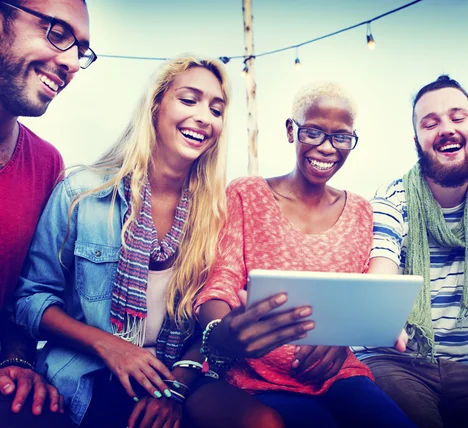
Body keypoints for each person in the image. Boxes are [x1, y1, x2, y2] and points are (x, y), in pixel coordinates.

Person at [12, 55, 281, 428]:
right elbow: (31, 300)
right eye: (189, 100)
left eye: (216, 109)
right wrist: (109, 345)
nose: (204, 116)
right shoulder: (82, 192)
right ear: (156, 106)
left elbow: (206, 329)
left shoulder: (217, 214)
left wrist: (176, 389)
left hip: (176, 373)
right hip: (89, 371)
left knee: (263, 421)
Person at [193, 82, 415, 428]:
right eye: (313, 132)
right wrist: (223, 331)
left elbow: (358, 300)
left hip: (338, 374)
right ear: (290, 130)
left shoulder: (359, 211)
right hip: (258, 379)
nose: (326, 148)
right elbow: (221, 283)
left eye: (341, 137)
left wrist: (341, 337)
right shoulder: (247, 194)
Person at [355, 75, 468, 428]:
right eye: (430, 123)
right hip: (390, 358)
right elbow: (381, 269)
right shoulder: (392, 201)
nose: (446, 128)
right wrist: (381, 312)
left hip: (461, 363)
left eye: (457, 117)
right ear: (416, 140)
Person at [0, 0, 95, 425]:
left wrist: (17, 361)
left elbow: (27, 293)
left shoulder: (46, 163)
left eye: (82, 50)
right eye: (58, 32)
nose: (72, 62)